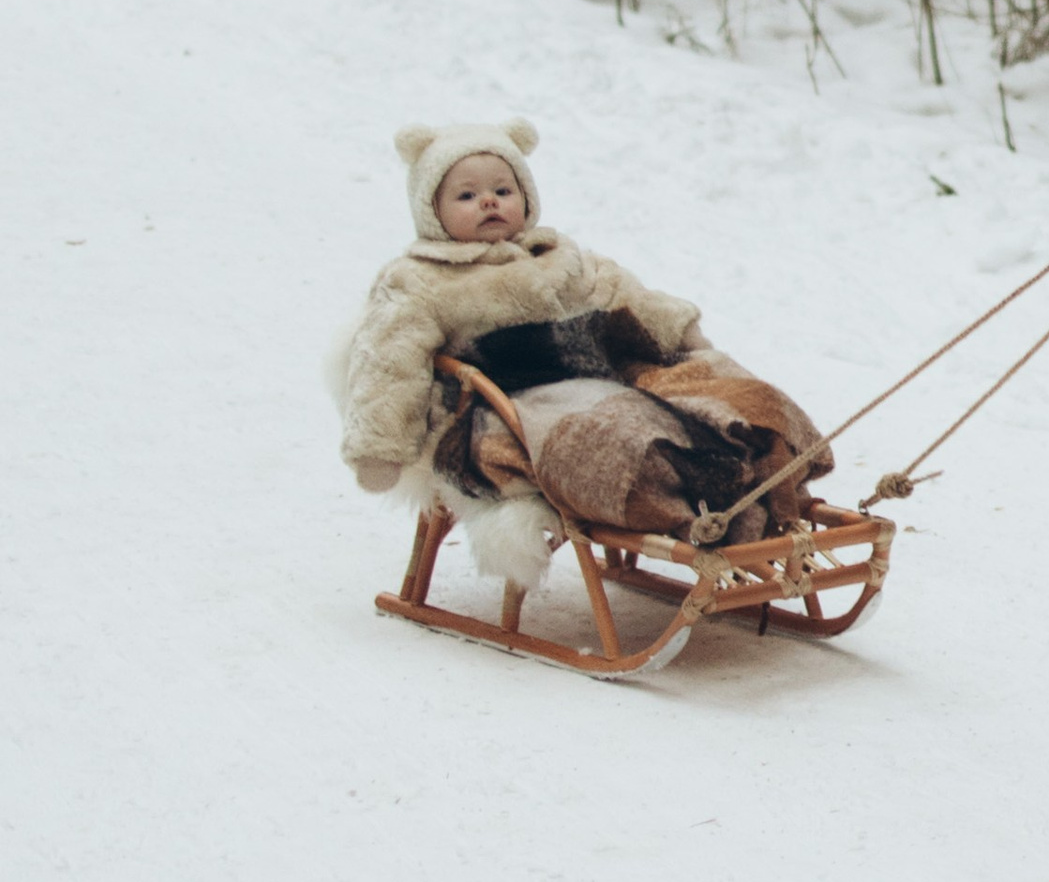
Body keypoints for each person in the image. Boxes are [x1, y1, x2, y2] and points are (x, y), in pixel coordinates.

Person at [331, 118, 830, 596]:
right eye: (466, 195)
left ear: (526, 198)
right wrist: (380, 446)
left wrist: (680, 333)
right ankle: (690, 507)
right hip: (506, 409)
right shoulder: (419, 280)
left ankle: (761, 480)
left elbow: (628, 296)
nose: (488, 201)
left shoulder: (559, 257)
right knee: (617, 435)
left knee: (732, 395)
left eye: (503, 191)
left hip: (601, 376)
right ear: (430, 210)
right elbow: (388, 362)